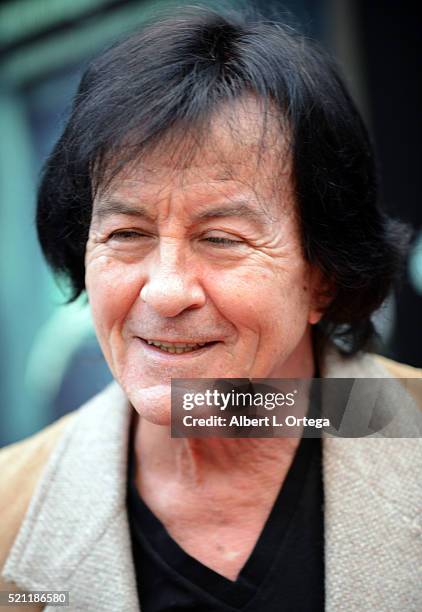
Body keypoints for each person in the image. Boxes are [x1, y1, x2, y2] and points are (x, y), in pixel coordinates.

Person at [0, 6, 421, 611]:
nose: (166, 292)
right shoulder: (15, 510)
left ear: (322, 276)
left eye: (221, 239)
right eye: (126, 234)